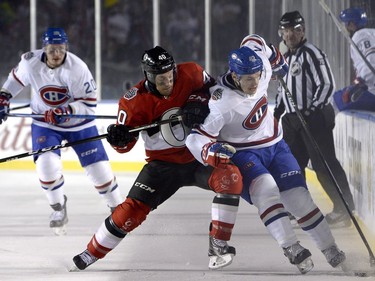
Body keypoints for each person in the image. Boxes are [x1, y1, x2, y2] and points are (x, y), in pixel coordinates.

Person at [71, 46, 243, 271]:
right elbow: (124, 148)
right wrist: (120, 138)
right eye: (162, 79)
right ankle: (90, 253)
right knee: (129, 213)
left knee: (231, 178)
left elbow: (218, 92)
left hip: (199, 155)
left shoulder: (191, 72)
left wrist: (198, 100)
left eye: (171, 76)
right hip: (163, 166)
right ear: (148, 76)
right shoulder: (133, 101)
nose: (168, 83)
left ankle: (218, 246)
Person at [186, 35, 346, 274]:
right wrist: (210, 150)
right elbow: (195, 137)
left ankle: (330, 248)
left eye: (257, 76)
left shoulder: (261, 67)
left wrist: (275, 55)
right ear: (235, 75)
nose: (255, 83)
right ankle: (291, 246)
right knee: (267, 192)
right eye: (248, 79)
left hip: (276, 145)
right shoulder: (220, 103)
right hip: (243, 154)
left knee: (299, 199)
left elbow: (254, 40)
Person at [0, 27, 123, 235]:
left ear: (66, 47)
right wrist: (3, 98)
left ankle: (120, 209)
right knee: (46, 166)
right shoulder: (30, 62)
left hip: (79, 124)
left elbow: (90, 105)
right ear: (44, 49)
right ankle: (58, 208)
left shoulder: (78, 68)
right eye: (52, 49)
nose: (56, 54)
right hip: (45, 123)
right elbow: (14, 81)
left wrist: (67, 110)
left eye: (60, 49)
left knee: (100, 173)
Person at [274, 11, 355, 227]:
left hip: (314, 118)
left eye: (295, 30)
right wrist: (277, 110)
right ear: (282, 33)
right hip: (292, 121)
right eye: (287, 30)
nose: (290, 34)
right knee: (292, 167)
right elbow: (283, 89)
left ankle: (344, 209)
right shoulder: (285, 58)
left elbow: (327, 84)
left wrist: (312, 110)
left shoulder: (312, 54)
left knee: (324, 165)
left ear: (303, 31)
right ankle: (299, 208)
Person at [332, 7, 375, 112]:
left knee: (335, 100)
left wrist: (360, 81)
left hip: (372, 91)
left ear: (351, 25)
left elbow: (372, 62)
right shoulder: (372, 32)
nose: (341, 28)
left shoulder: (360, 36)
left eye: (343, 24)